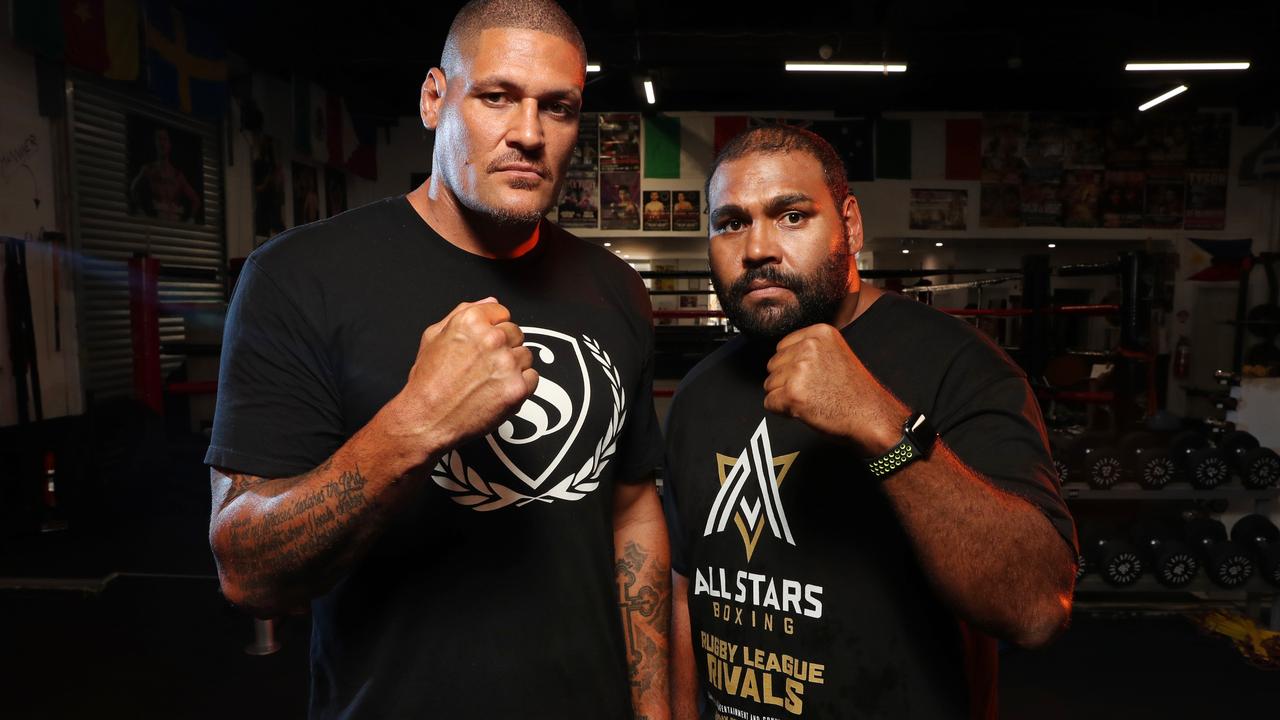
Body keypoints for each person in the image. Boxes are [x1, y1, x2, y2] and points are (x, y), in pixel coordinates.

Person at [206, 2, 669, 718]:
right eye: (496, 96)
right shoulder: (301, 276)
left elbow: (633, 511)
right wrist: (416, 424)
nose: (528, 134)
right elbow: (247, 572)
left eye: (559, 108)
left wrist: (656, 711)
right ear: (434, 98)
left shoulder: (617, 290)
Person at [662, 125, 1077, 719]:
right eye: (731, 223)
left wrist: (882, 423)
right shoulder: (700, 391)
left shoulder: (956, 365)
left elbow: (1036, 609)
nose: (757, 249)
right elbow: (685, 588)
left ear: (850, 226)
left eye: (791, 216)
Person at [129, 126, 202, 223]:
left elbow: (196, 200)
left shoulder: (177, 175)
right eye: (159, 139)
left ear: (169, 144)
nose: (162, 143)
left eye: (164, 139)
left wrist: (191, 220)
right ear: (155, 143)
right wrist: (140, 211)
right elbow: (133, 189)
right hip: (155, 223)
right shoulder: (148, 169)